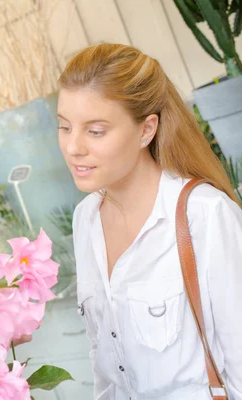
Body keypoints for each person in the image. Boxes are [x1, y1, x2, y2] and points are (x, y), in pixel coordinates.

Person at [58, 43, 242, 399]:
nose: (73, 147)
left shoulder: (205, 215)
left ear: (146, 130)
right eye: (65, 127)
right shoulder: (86, 220)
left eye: (95, 131)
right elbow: (105, 369)